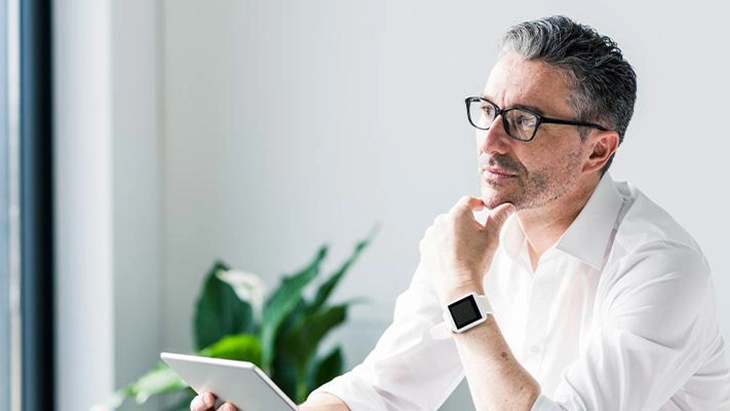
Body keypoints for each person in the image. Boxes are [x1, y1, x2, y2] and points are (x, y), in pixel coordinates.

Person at [191, 15, 730, 411]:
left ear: (597, 151)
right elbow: (384, 388)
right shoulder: (472, 241)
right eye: (488, 111)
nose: (489, 141)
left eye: (522, 121)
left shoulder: (662, 269)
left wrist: (462, 290)